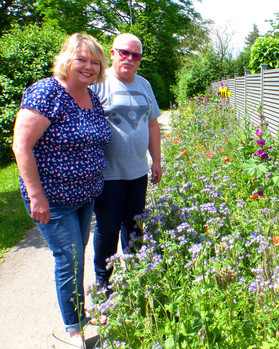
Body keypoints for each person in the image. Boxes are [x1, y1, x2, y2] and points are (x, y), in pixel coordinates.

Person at [12, 33, 111, 347]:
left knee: (77, 257)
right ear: (67, 60)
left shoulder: (92, 98)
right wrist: (36, 195)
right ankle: (72, 330)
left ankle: (79, 314)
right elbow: (21, 146)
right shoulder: (46, 92)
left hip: (84, 196)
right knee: (68, 260)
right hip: (53, 199)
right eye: (82, 59)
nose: (89, 67)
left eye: (95, 62)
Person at [91, 33, 162, 293]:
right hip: (108, 174)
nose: (129, 58)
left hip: (137, 171)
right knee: (107, 228)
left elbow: (153, 124)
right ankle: (103, 281)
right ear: (112, 53)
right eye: (124, 52)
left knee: (134, 226)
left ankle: (135, 273)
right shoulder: (99, 84)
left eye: (135, 55)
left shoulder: (144, 85)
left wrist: (156, 161)